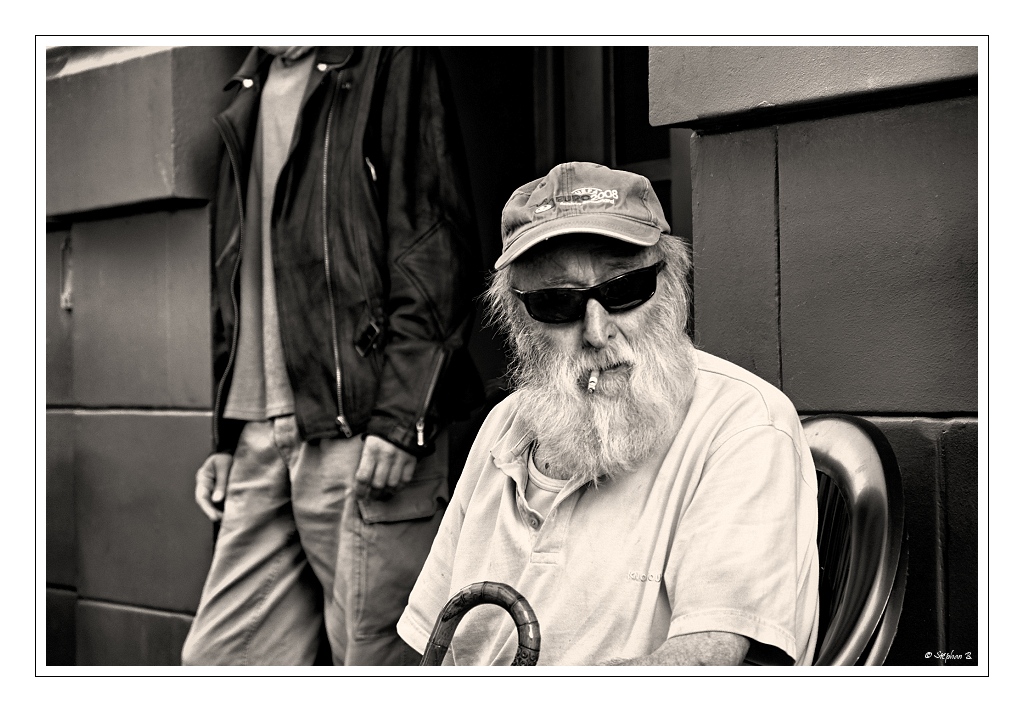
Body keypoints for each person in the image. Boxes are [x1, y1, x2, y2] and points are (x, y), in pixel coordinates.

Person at [397, 161, 819, 666]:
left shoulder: (743, 423)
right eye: (557, 303)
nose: (597, 332)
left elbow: (707, 662)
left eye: (623, 290)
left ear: (672, 286)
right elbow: (433, 646)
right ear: (517, 320)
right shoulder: (506, 424)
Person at [181, 46, 481, 666]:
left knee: (373, 665)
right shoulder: (247, 87)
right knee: (218, 664)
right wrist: (227, 436)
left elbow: (433, 244)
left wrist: (402, 417)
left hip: (364, 429)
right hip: (262, 435)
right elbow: (239, 279)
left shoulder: (386, 55)